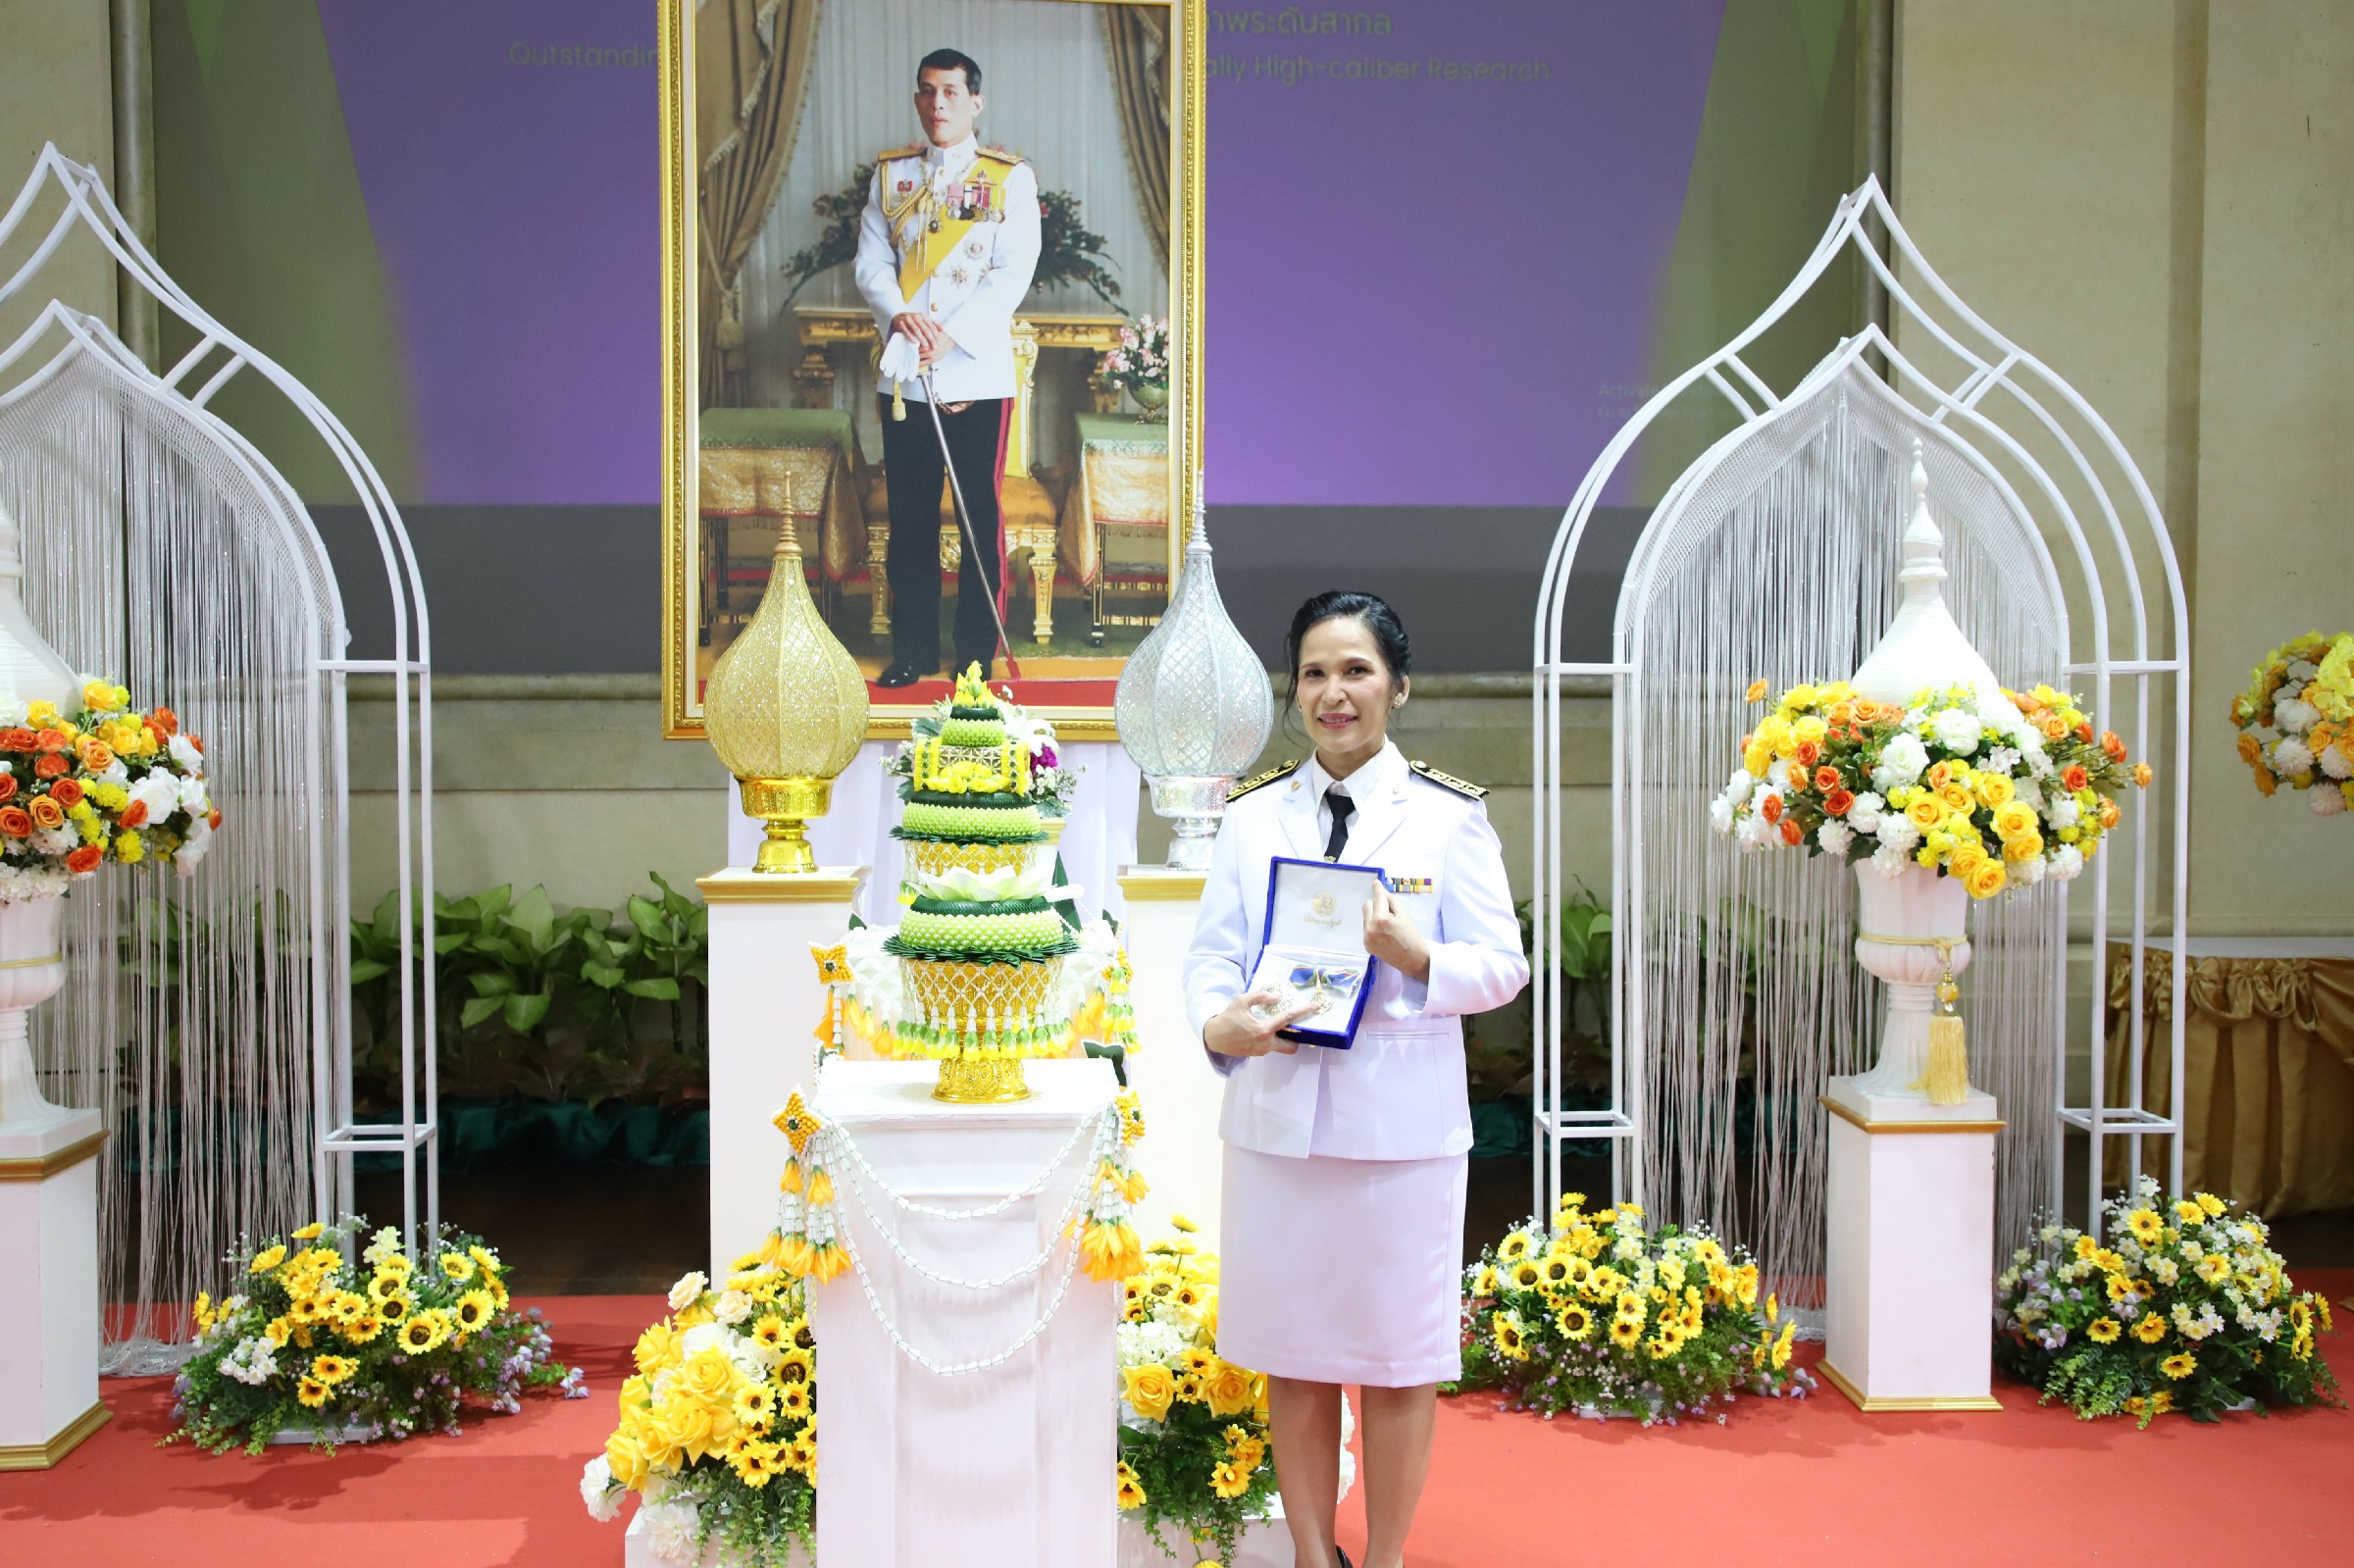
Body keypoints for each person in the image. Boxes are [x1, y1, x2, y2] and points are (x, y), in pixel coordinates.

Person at [1185, 591, 1528, 1568]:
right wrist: (1219, 1024)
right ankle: (1310, 1553)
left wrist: (1420, 958)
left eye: (1356, 671)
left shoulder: (1447, 817)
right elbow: (1212, 958)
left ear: (1398, 686)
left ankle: (1383, 1558)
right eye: (1314, 673)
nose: (1334, 693)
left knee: (1397, 1362)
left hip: (1399, 1137)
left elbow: (1503, 965)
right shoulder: (1252, 815)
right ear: (1294, 691)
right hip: (1277, 1128)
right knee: (1292, 1359)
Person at [854, 46, 1042, 688]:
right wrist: (901, 316)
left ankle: (973, 654)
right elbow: (871, 263)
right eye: (928, 91)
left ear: (975, 102)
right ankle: (912, 650)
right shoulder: (892, 177)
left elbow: (1011, 272)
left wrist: (952, 336)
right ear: (917, 99)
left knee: (976, 519)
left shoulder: (1009, 179)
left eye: (952, 92)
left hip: (974, 374)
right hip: (906, 375)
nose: (939, 104)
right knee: (909, 518)